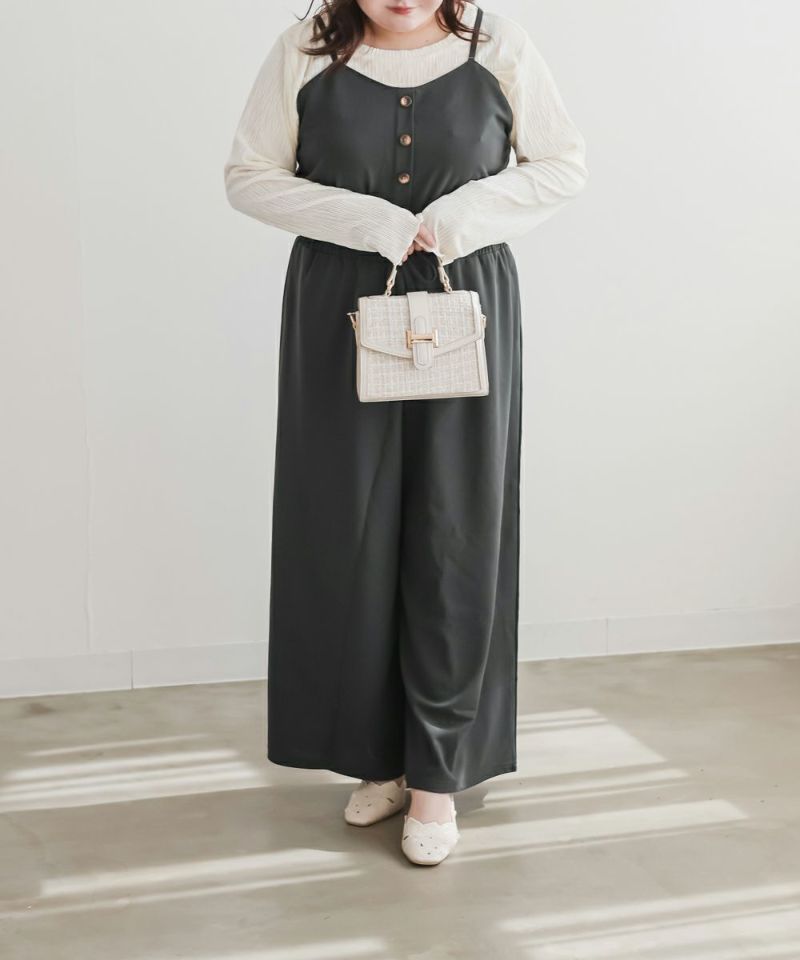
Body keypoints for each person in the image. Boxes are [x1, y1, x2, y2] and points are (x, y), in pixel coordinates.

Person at [223, 0, 588, 866]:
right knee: (345, 534)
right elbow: (249, 175)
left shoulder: (498, 45)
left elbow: (561, 164)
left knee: (454, 533)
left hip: (466, 305)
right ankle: (378, 757)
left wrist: (453, 222)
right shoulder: (306, 49)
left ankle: (437, 776)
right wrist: (374, 223)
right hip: (338, 309)